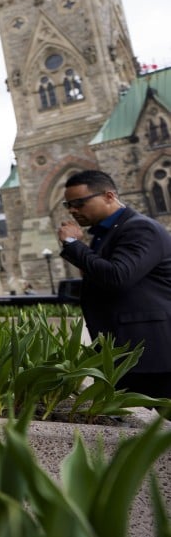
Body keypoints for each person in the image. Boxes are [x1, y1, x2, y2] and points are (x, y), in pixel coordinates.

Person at [57, 170, 171, 404]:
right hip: (126, 351)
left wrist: (72, 244)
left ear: (109, 196)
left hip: (151, 353)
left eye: (79, 203)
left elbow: (118, 277)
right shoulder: (107, 233)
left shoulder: (140, 228)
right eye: (68, 204)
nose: (72, 210)